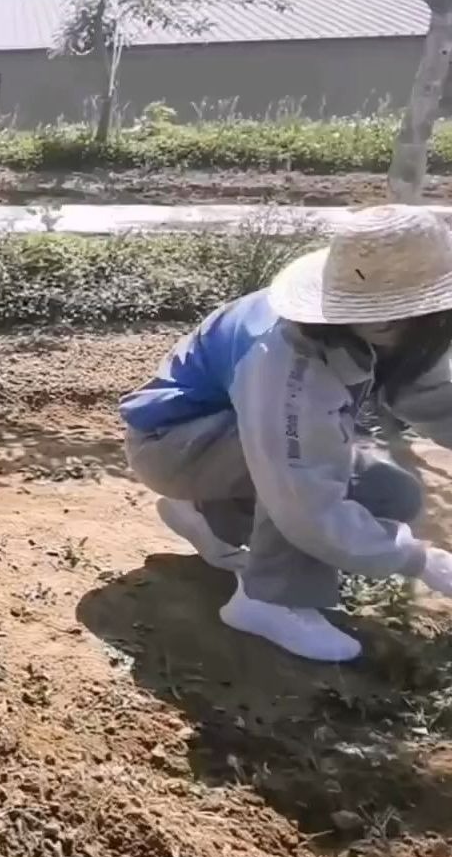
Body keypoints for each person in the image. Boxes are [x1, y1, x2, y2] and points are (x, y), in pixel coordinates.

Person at [121, 205, 452, 662]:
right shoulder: (288, 356)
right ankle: (268, 601)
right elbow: (303, 490)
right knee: (302, 474)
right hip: (174, 445)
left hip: (225, 439)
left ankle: (207, 516)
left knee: (391, 494)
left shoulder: (395, 328)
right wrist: (420, 560)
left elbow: (433, 395)